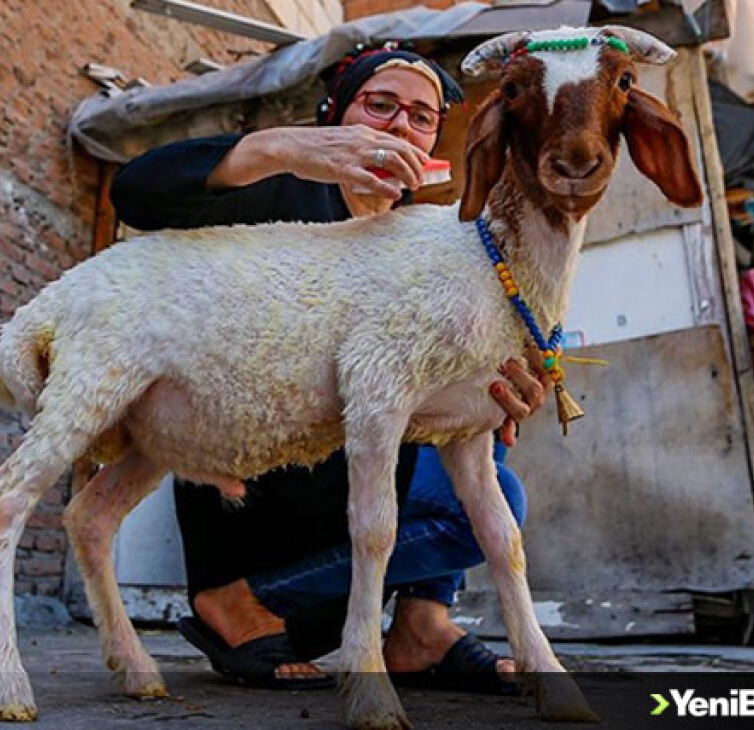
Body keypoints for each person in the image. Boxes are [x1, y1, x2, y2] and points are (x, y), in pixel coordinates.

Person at [109, 40, 549, 694]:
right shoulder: (272, 194)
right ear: (335, 118)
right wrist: (281, 149)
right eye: (380, 105)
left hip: (354, 490)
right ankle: (234, 600)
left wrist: (495, 394)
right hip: (261, 488)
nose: (400, 126)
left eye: (421, 117)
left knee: (490, 446)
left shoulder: (420, 241)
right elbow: (133, 192)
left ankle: (420, 626)